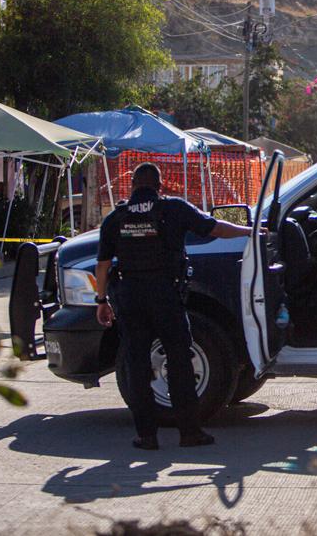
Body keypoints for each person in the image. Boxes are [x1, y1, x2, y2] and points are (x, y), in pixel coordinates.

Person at [94, 162, 254, 450]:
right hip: (166, 296)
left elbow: (103, 265)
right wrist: (249, 231)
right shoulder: (174, 209)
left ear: (132, 186)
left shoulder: (116, 218)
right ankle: (190, 433)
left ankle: (146, 436)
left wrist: (101, 301)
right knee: (179, 362)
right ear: (160, 186)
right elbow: (214, 227)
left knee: (137, 365)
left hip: (130, 298)